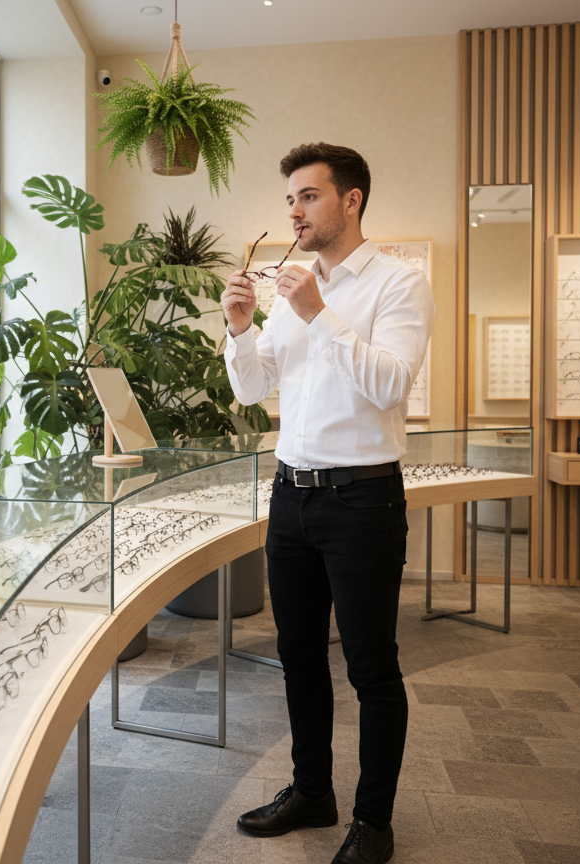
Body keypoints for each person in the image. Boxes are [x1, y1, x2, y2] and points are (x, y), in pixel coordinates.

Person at [221, 143, 434, 864]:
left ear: (351, 201)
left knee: (372, 666)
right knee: (298, 654)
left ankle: (374, 822)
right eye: (290, 199)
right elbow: (254, 391)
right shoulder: (292, 287)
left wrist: (319, 314)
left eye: (308, 196)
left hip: (361, 500)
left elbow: (392, 387)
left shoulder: (397, 284)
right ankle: (312, 789)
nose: (294, 211)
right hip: (292, 495)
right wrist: (242, 328)